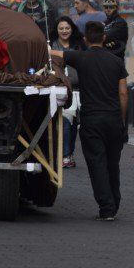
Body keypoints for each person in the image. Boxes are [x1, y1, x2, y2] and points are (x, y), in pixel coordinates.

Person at [51, 21, 128, 221]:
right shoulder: (117, 61)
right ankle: (115, 202)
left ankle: (107, 207)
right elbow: (123, 93)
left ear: (85, 39)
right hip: (113, 118)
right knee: (113, 163)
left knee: (97, 163)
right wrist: (122, 120)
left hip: (91, 118)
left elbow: (55, 54)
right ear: (104, 38)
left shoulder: (81, 57)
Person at [50, 16, 86, 169]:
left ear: (72, 29)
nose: (64, 31)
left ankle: (69, 153)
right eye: (61, 28)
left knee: (73, 126)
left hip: (80, 90)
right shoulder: (51, 45)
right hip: (61, 90)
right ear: (56, 30)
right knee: (64, 123)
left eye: (67, 28)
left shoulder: (79, 46)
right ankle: (64, 155)